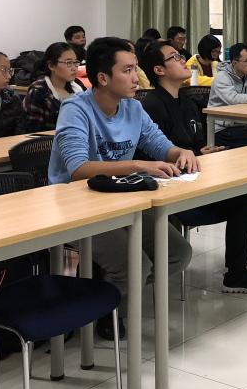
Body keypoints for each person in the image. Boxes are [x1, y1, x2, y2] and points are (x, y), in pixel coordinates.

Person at [46, 37, 198, 339]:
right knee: (134, 266)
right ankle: (110, 310)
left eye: (135, 69)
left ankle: (108, 294)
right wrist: (138, 165)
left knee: (178, 254)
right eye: (127, 70)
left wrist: (181, 152)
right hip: (76, 205)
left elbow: (159, 144)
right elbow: (78, 169)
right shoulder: (75, 109)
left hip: (121, 199)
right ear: (103, 78)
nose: (136, 77)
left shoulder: (133, 107)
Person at [140, 41, 247, 277]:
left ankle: (237, 274)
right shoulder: (152, 106)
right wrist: (195, 155)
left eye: (180, 55)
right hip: (172, 183)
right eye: (174, 57)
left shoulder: (186, 102)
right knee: (242, 189)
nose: (183, 60)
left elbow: (194, 145)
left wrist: (204, 152)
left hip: (195, 172)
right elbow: (155, 154)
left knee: (242, 189)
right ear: (159, 70)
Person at [21, 42, 86, 132]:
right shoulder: (39, 90)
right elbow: (32, 131)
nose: (74, 68)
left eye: (75, 62)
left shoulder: (77, 85)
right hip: (48, 140)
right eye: (68, 63)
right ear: (51, 65)